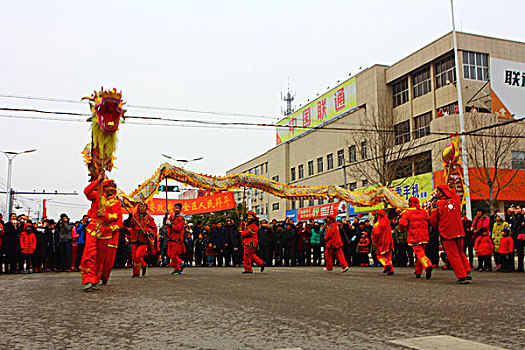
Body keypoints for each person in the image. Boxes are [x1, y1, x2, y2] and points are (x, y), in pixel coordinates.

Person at [80, 174, 123, 292]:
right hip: (93, 229)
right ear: (104, 188)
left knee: (100, 258)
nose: (113, 189)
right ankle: (87, 279)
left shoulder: (116, 202)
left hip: (106, 232)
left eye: (114, 187)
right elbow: (86, 191)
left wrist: (104, 215)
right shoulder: (97, 196)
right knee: (89, 254)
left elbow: (116, 216)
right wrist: (98, 180)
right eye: (110, 187)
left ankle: (95, 280)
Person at [430, 184, 471, 284]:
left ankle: (462, 276)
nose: (437, 194)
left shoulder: (437, 205)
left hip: (447, 232)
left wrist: (438, 228)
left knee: (453, 255)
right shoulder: (456, 201)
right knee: (461, 253)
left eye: (438, 192)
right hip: (459, 231)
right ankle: (467, 271)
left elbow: (433, 220)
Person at [399, 196, 433, 279]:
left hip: (414, 235)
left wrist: (402, 230)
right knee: (420, 253)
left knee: (419, 253)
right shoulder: (424, 211)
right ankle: (418, 271)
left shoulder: (407, 212)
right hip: (424, 235)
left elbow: (402, 224)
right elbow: (429, 219)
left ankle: (427, 265)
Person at [130, 202, 157, 278]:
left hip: (143, 239)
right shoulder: (134, 216)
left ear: (146, 208)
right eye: (140, 206)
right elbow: (129, 225)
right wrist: (129, 218)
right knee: (134, 257)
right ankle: (143, 265)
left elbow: (154, 229)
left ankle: (136, 273)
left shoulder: (149, 218)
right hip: (134, 238)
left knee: (138, 256)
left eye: (143, 207)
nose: (142, 208)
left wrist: (148, 232)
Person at [372, 210, 394, 275]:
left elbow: (376, 233)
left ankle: (386, 265)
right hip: (389, 240)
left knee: (379, 256)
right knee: (388, 257)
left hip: (381, 242)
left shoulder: (378, 223)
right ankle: (390, 270)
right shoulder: (387, 222)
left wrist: (374, 240)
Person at [166, 203, 185, 275]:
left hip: (177, 239)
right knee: (170, 255)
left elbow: (178, 228)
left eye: (178, 208)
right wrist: (165, 216)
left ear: (180, 209)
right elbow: (166, 223)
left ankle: (177, 268)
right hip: (170, 238)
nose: (176, 209)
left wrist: (170, 224)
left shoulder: (181, 218)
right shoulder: (172, 216)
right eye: (175, 208)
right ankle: (182, 263)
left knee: (174, 255)